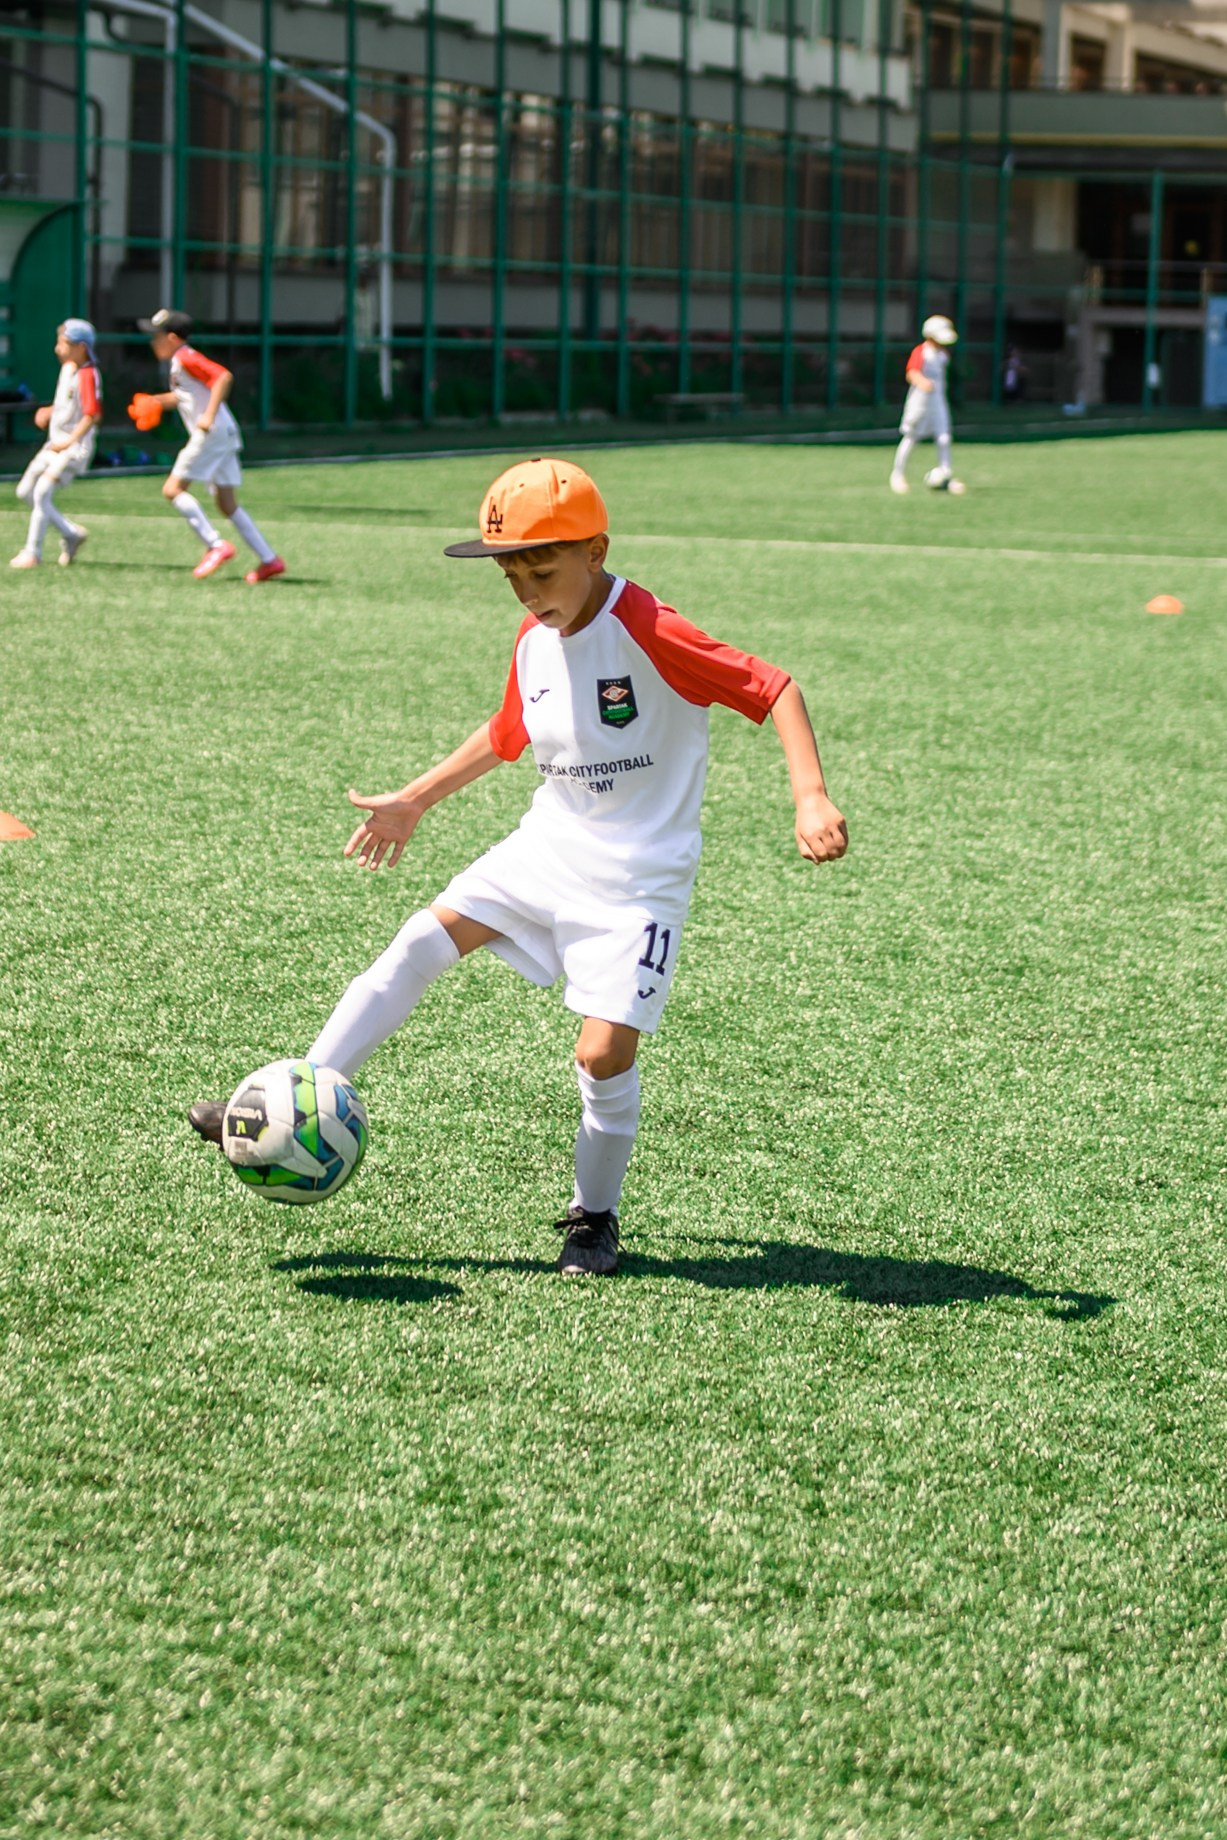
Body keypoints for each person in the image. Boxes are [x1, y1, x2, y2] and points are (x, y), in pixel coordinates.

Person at [186, 457, 848, 1276]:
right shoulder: (534, 639)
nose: (529, 587)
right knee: (417, 943)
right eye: (512, 572)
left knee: (601, 1057)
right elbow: (508, 734)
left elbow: (772, 687)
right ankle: (296, 1101)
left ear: (595, 551)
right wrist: (416, 799)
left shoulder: (647, 627)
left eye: (544, 566)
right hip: (546, 848)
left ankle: (593, 1218)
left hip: (639, 881)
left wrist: (809, 796)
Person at [131, 308, 285, 582]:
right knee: (227, 503)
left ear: (174, 338)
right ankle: (269, 560)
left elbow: (222, 376)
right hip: (224, 434)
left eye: (157, 336)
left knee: (172, 489)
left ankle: (215, 545)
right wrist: (158, 401)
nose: (153, 342)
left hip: (211, 432)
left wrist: (209, 415)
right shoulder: (179, 362)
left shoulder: (186, 356)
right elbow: (186, 395)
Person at [10, 318, 102, 570]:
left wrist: (70, 441)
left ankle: (32, 553)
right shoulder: (68, 369)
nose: (57, 348)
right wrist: (50, 411)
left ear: (81, 347)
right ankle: (71, 534)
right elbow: (71, 405)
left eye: (63, 343)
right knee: (25, 491)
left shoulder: (87, 374)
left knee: (41, 493)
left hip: (73, 448)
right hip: (56, 443)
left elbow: (92, 415)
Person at [889, 315, 963, 495]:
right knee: (911, 437)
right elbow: (911, 373)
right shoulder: (921, 352)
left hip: (938, 401)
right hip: (920, 402)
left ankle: (946, 475)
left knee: (944, 438)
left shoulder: (943, 355)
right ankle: (898, 475)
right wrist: (923, 383)